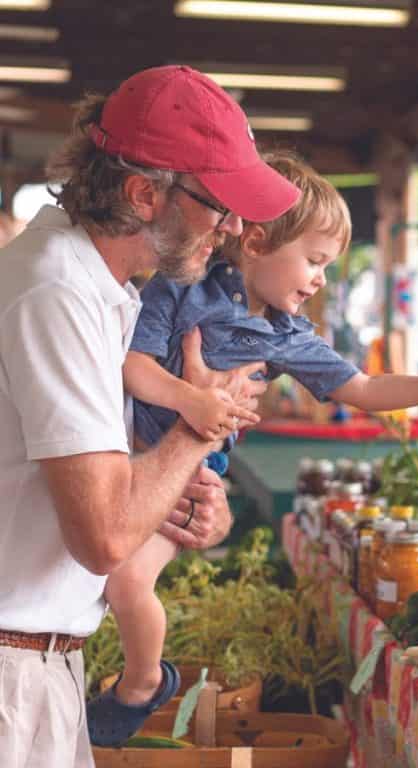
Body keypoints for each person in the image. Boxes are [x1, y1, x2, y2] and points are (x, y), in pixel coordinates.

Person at [96, 151, 418, 744]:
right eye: (315, 260)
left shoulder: (288, 335)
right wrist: (194, 402)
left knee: (127, 584)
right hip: (124, 455)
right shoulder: (179, 287)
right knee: (95, 572)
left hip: (187, 474)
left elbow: (364, 389)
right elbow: (133, 365)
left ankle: (141, 683)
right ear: (257, 243)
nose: (322, 278)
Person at [0, 65, 296, 767]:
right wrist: (200, 428)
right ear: (143, 194)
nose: (230, 229)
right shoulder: (58, 294)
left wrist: (175, 493)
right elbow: (102, 537)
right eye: (217, 205)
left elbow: (96, 490)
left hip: (37, 659)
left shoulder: (96, 286)